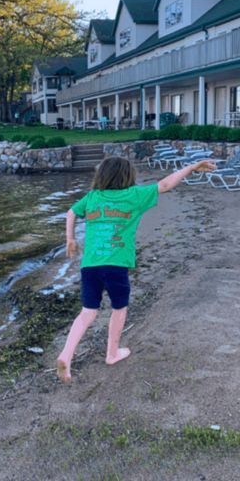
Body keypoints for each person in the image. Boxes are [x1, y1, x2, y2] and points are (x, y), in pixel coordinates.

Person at [56, 155, 216, 383]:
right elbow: (165, 185)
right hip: (116, 265)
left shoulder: (93, 197)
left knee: (87, 312)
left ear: (101, 176)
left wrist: (70, 239)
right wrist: (190, 167)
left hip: (90, 265)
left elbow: (71, 213)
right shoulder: (134, 195)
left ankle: (66, 355)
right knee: (119, 309)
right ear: (128, 176)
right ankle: (112, 354)